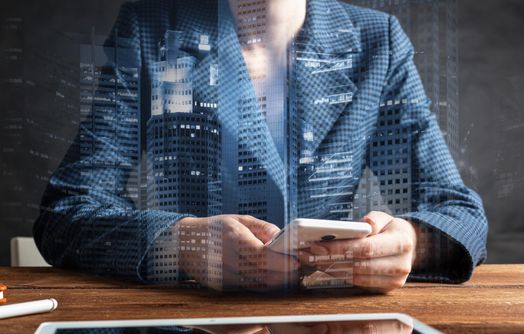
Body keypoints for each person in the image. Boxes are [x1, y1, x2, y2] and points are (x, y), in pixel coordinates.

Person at [34, 0, 488, 293]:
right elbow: (67, 213)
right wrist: (183, 242)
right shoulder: (153, 29)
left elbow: (459, 212)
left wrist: (411, 242)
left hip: (328, 326)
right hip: (187, 329)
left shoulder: (376, 41)